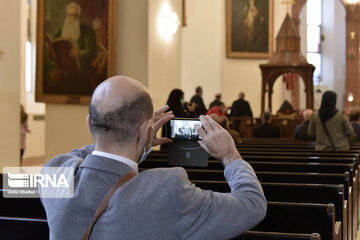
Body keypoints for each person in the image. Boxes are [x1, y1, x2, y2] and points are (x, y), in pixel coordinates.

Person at [41, 76, 266, 240]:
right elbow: (253, 204)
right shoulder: (168, 191)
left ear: (89, 123)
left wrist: (140, 140)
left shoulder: (54, 173)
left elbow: (88, 161)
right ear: (147, 130)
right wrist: (230, 155)